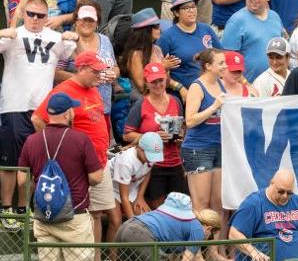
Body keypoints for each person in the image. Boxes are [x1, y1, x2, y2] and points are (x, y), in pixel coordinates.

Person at [0, 0, 76, 213]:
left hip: (43, 108)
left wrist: (74, 36)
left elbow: (77, 54)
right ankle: (6, 207)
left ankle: (25, 207)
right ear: (23, 13)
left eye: (39, 15)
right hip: (13, 104)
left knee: (36, 159)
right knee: (10, 161)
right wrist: (4, 31)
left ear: (46, 17)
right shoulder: (14, 35)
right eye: (30, 13)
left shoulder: (56, 37)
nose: (34, 18)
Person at [32, 51, 114, 246]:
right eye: (95, 71)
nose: (99, 75)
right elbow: (37, 118)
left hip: (100, 161)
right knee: (81, 214)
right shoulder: (64, 90)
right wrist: (58, 150)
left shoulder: (93, 89)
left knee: (97, 214)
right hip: (80, 166)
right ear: (82, 69)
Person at [17, 92, 102, 261]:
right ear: (67, 114)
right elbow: (96, 177)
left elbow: (22, 180)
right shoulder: (81, 139)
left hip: (43, 216)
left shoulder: (32, 141)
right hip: (75, 216)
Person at [124, 61, 189, 205]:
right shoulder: (141, 104)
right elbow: (127, 134)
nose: (158, 85)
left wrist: (179, 138)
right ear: (147, 83)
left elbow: (182, 128)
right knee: (157, 207)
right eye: (153, 81)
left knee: (181, 205)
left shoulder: (176, 101)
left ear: (166, 79)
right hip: (151, 165)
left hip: (174, 162)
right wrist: (152, 137)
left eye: (160, 80)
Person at [114, 191, 220, 261]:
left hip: (124, 228)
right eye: (211, 237)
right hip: (139, 234)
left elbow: (174, 260)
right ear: (209, 228)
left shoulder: (183, 225)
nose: (208, 239)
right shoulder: (197, 229)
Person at [181, 48, 226, 213]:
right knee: (201, 204)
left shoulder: (221, 83)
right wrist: (214, 106)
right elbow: (190, 120)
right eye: (221, 63)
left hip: (219, 147)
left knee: (218, 203)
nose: (225, 66)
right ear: (208, 66)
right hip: (198, 149)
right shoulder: (197, 86)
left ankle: (217, 239)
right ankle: (198, 237)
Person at [222, 0, 286, 81]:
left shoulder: (275, 16)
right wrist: (244, 84)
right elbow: (228, 60)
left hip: (275, 83)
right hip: (250, 88)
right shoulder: (236, 21)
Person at [157, 0, 222, 91]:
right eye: (186, 8)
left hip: (211, 87)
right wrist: (179, 87)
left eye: (193, 6)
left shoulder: (206, 29)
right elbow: (157, 68)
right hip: (184, 91)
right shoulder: (167, 37)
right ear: (176, 13)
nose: (191, 10)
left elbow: (222, 55)